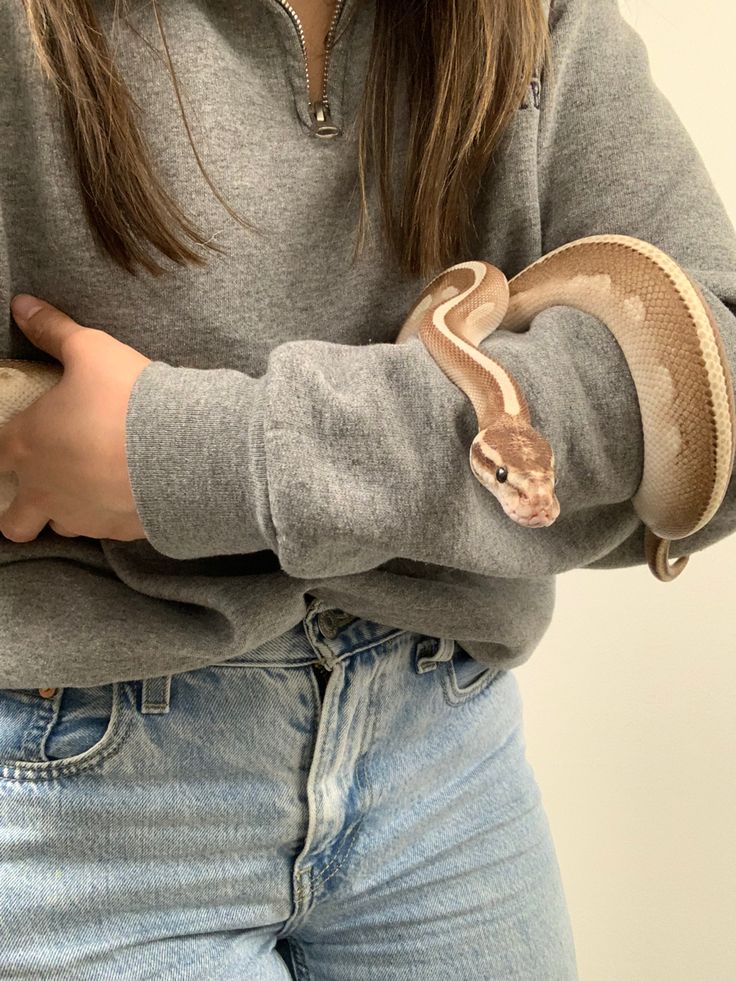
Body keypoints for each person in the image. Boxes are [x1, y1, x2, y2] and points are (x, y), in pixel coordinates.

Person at [0, 0, 734, 977]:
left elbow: (715, 377)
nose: (532, 501)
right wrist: (511, 425)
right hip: (73, 767)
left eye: (516, 479)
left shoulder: (534, 18)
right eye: (515, 477)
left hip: (446, 751)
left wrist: (191, 455)